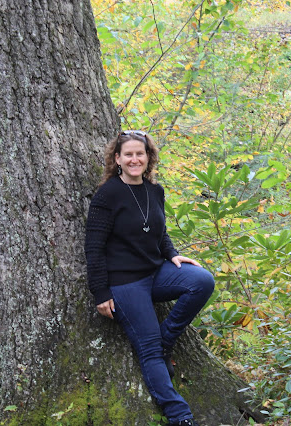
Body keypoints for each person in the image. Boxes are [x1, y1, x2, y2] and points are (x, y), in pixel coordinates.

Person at [85, 130, 215, 426]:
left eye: (139, 154)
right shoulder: (107, 195)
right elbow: (93, 247)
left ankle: (166, 340)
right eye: (128, 154)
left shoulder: (155, 191)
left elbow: (160, 231)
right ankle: (180, 416)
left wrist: (173, 254)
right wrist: (100, 292)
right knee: (150, 350)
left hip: (155, 272)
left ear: (148, 157)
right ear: (117, 159)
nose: (134, 159)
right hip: (125, 283)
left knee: (202, 281)